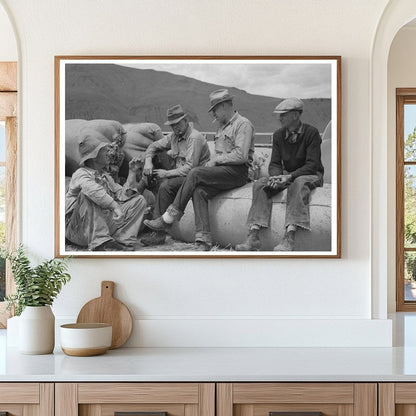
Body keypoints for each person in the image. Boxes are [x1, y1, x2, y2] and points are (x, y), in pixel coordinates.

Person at [144, 89, 255, 251]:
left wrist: (216, 161)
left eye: (214, 110)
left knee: (195, 172)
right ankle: (203, 240)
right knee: (199, 191)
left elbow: (241, 155)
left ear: (224, 106)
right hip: (222, 172)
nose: (213, 115)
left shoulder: (242, 124)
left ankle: (169, 216)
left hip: (237, 172)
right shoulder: (221, 127)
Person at [235, 97, 324, 251]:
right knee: (260, 184)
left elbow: (312, 165)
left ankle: (289, 237)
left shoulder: (312, 133)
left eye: (283, 114)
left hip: (310, 173)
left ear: (295, 115)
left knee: (298, 183)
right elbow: (275, 163)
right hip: (287, 174)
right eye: (279, 115)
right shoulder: (278, 135)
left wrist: (289, 177)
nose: (280, 118)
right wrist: (276, 177)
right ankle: (254, 235)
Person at [139, 104, 210, 246]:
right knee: (162, 183)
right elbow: (153, 146)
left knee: (166, 186)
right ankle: (157, 228)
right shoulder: (173, 137)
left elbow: (191, 167)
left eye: (177, 124)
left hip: (196, 177)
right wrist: (148, 161)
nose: (175, 128)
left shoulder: (194, 138)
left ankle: (160, 231)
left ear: (185, 120)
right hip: (181, 176)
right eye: (172, 126)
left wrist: (167, 173)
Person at [65, 132, 147, 251]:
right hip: (78, 230)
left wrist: (132, 172)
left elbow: (123, 195)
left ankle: (121, 239)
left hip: (100, 225)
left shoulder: (104, 176)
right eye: (103, 150)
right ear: (94, 156)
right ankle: (100, 242)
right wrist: (115, 206)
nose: (107, 153)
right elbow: (93, 191)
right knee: (88, 194)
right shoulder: (80, 174)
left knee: (139, 200)